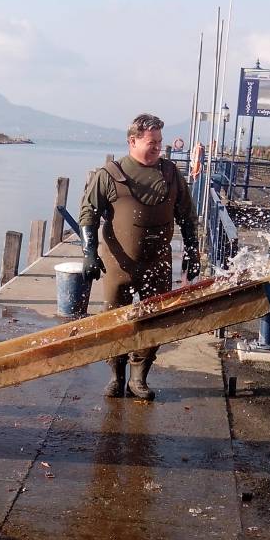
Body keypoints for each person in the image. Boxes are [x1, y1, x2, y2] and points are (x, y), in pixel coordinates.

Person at [78, 113, 200, 401]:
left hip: (157, 262)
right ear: (132, 141)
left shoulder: (171, 174)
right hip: (118, 263)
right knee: (114, 319)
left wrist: (192, 253)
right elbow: (88, 215)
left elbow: (187, 216)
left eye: (160, 141)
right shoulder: (108, 175)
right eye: (151, 142)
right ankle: (116, 375)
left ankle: (139, 377)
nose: (158, 147)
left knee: (154, 320)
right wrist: (88, 253)